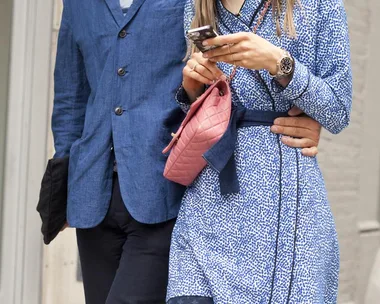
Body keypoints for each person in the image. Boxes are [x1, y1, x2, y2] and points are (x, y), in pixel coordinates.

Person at [52, 0, 322, 303]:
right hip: (93, 193)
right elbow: (70, 98)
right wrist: (62, 187)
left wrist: (303, 115)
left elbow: (238, 71)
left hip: (164, 189)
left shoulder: (193, 3)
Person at [167, 0, 352, 303]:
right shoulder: (198, 5)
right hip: (208, 203)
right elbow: (207, 107)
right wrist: (192, 86)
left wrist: (280, 64)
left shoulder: (319, 4)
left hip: (286, 210)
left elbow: (338, 112)